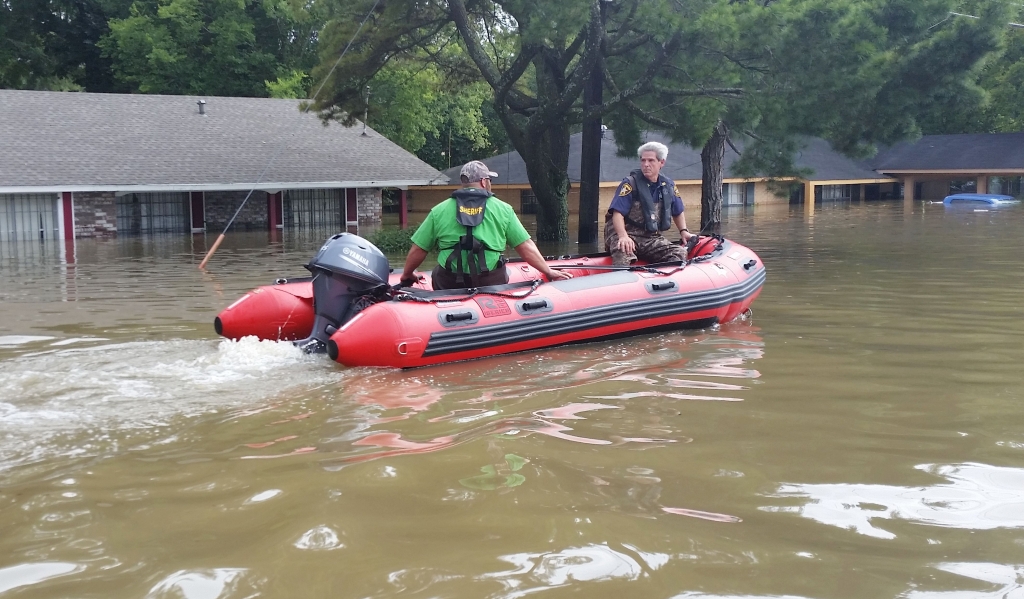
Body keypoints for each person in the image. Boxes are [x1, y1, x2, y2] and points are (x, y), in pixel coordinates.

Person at [400, 160, 572, 289]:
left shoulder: (439, 210)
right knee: (503, 270)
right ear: (484, 182)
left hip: (449, 281)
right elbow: (525, 246)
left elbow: (419, 249)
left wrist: (407, 275)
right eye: (489, 179)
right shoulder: (503, 209)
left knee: (439, 272)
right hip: (490, 279)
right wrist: (548, 272)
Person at [604, 141, 693, 266]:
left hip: (650, 237)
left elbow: (677, 211)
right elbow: (617, 214)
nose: (646, 164)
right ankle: (621, 281)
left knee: (679, 253)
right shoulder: (629, 184)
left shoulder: (669, 186)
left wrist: (684, 231)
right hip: (624, 235)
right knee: (623, 252)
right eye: (643, 160)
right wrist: (623, 236)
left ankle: (659, 280)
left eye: (651, 160)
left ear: (661, 162)